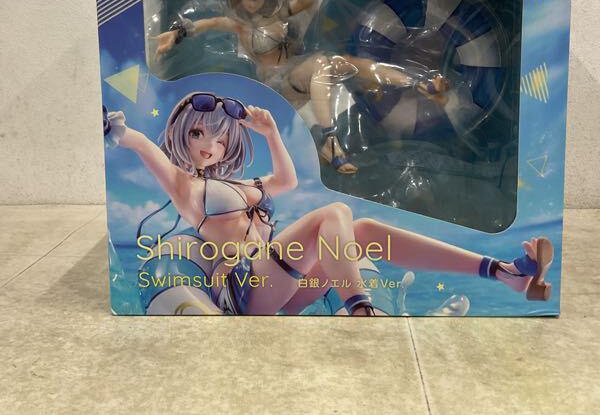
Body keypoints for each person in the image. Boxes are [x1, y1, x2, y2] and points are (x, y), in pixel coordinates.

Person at [104, 92, 553, 316]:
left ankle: (502, 272)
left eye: (220, 139)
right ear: (182, 133)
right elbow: (142, 143)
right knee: (335, 214)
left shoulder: (240, 183)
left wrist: (271, 132)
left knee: (364, 231)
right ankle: (362, 310)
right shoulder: (184, 187)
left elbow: (287, 180)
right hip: (244, 288)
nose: (209, 144)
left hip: (279, 283)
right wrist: (116, 129)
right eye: (199, 133)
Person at [151, 0, 448, 175]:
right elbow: (205, 24)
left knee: (343, 64)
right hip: (276, 85)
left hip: (298, 72)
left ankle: (418, 83)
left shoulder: (282, 15)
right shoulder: (239, 26)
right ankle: (328, 140)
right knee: (320, 67)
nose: (252, 3)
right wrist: (175, 34)